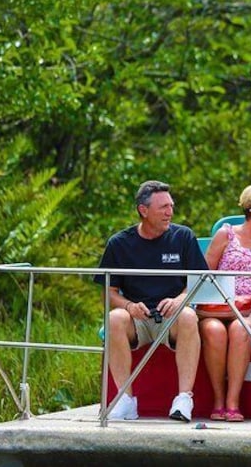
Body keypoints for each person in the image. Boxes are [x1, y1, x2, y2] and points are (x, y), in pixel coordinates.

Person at [95, 180, 206, 422]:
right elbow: (109, 291)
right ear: (143, 211)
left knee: (188, 315)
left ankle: (184, 399)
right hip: (137, 319)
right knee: (113, 318)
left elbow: (200, 282)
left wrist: (180, 300)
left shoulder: (183, 236)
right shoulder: (119, 243)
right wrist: (128, 306)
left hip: (172, 318)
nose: (170, 212)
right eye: (163, 207)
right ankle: (125, 400)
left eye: (171, 206)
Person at [199, 184, 251, 422]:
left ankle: (233, 401)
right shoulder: (226, 234)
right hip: (219, 306)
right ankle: (218, 399)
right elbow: (205, 275)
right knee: (214, 330)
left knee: (239, 329)